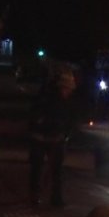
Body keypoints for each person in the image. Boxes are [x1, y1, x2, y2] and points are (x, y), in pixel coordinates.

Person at [28, 67, 77, 207]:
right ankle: (38, 197)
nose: (69, 92)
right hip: (41, 138)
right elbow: (40, 117)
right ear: (62, 87)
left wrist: (66, 133)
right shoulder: (49, 99)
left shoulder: (63, 100)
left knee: (54, 170)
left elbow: (70, 119)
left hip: (54, 139)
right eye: (67, 89)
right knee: (39, 169)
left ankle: (54, 198)